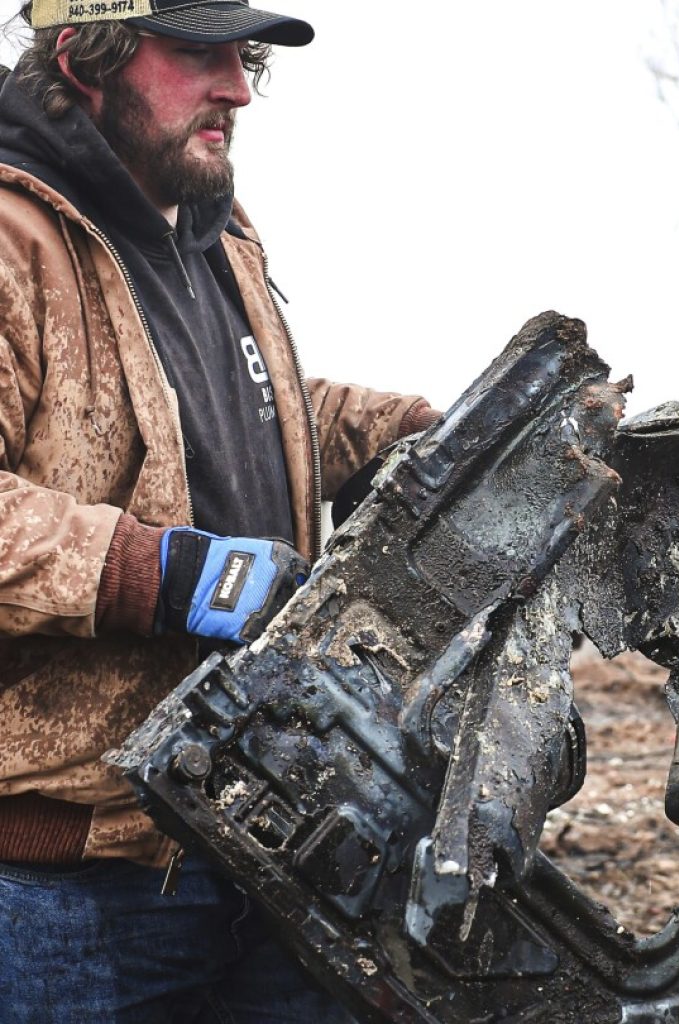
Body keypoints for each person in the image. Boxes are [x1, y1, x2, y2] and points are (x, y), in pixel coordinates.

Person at [0, 2, 441, 1019]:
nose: (239, 87)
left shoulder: (214, 231)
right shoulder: (15, 233)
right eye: (200, 53)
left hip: (263, 843)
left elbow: (250, 411)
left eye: (241, 58)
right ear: (86, 52)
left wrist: (410, 430)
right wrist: (169, 574)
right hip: (76, 886)